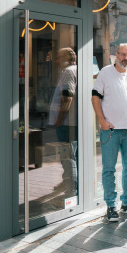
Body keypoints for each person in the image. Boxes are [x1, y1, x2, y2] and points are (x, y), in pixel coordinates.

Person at [92, 43, 127, 222]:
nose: (125, 58)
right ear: (116, 55)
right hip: (111, 130)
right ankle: (111, 206)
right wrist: (101, 121)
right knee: (108, 169)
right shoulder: (105, 73)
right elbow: (95, 97)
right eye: (122, 54)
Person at [49, 47, 78, 196]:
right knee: (73, 155)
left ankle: (71, 187)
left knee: (67, 156)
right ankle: (69, 181)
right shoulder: (79, 69)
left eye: (60, 57)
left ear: (68, 58)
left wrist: (59, 119)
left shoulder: (68, 72)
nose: (58, 60)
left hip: (68, 123)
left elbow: (67, 97)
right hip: (76, 122)